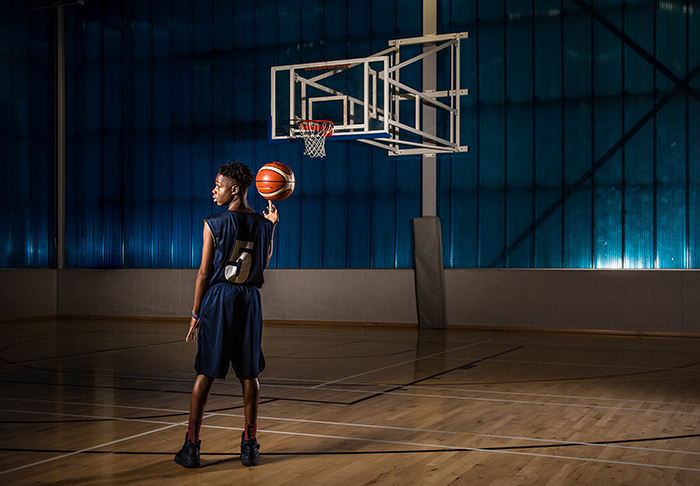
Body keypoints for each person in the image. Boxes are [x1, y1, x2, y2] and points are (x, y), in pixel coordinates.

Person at [174, 160, 278, 468]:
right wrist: (273, 226)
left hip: (220, 299)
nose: (213, 190)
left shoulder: (214, 222)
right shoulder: (263, 225)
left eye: (218, 186)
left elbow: (204, 273)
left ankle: (192, 446)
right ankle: (250, 445)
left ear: (234, 190)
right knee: (250, 374)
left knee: (206, 372)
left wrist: (195, 314)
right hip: (249, 301)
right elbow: (264, 263)